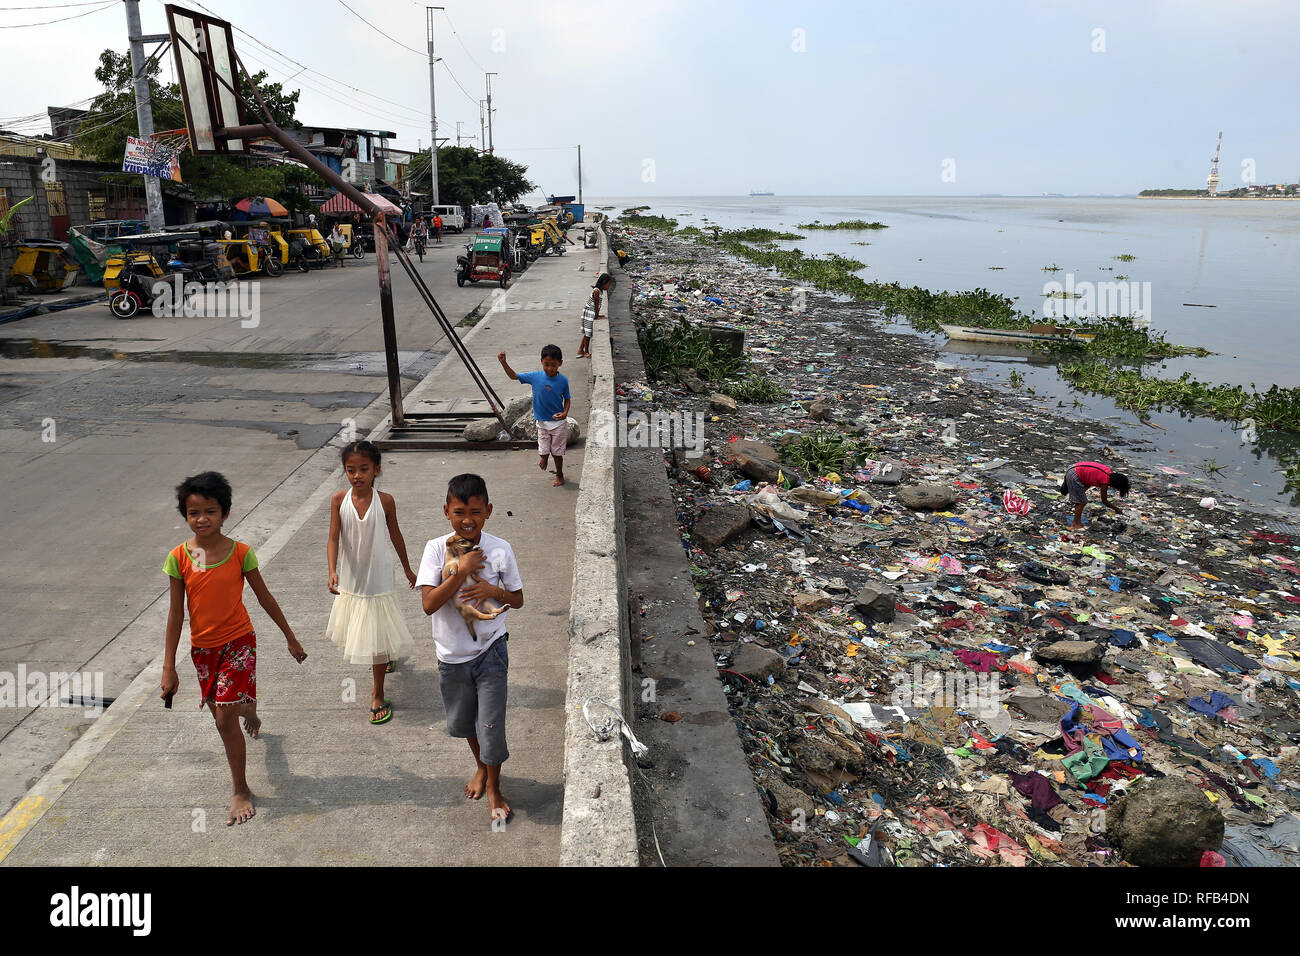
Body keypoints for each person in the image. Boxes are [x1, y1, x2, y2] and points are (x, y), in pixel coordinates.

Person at [161, 472, 307, 826]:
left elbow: (264, 596)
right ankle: (250, 711)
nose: (202, 519)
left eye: (210, 511)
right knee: (225, 717)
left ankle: (240, 788)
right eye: (194, 513)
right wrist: (169, 666)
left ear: (225, 513)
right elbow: (176, 613)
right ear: (185, 516)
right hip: (202, 651)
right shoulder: (179, 557)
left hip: (238, 642)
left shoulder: (240, 553)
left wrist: (289, 635)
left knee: (224, 716)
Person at [416, 474, 524, 824]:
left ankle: (494, 786)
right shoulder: (435, 549)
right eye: (459, 511)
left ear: (489, 511)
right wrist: (460, 572)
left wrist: (494, 592)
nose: (467, 520)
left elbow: (518, 599)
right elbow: (429, 604)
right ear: (446, 511)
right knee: (467, 725)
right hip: (451, 656)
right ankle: (481, 767)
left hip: (491, 650)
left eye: (475, 512)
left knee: (490, 724)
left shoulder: (500, 549)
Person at [326, 441, 417, 724]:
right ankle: (385, 659)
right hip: (352, 575)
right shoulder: (339, 500)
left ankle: (377, 693)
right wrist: (331, 570)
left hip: (378, 575)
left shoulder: (386, 501)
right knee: (363, 627)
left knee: (375, 632)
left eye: (363, 469)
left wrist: (408, 569)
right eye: (351, 470)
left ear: (376, 470)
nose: (357, 476)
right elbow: (333, 538)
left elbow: (396, 536)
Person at [498, 346, 571, 486]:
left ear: (560, 363)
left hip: (558, 423)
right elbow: (514, 376)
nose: (550, 368)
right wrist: (503, 363)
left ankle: (559, 474)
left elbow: (567, 399)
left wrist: (565, 413)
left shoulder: (563, 381)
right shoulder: (535, 377)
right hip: (542, 423)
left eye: (553, 365)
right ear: (541, 362)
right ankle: (544, 458)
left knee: (557, 453)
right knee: (543, 449)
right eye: (547, 364)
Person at [1059, 461, 1130, 530]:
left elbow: (1089, 479)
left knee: (1080, 499)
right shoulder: (1105, 480)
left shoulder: (1107, 471)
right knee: (1082, 502)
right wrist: (1116, 509)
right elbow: (1104, 500)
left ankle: (1077, 518)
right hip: (1074, 474)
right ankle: (1075, 524)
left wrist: (1080, 494)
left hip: (1073, 468)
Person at [576, 272, 615, 359]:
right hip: (589, 312)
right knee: (588, 334)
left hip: (591, 312)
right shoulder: (596, 291)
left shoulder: (600, 291)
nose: (608, 287)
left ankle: (580, 350)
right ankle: (586, 352)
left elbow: (598, 306)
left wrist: (598, 315)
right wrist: (596, 316)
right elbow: (596, 306)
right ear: (604, 283)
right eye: (608, 284)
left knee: (587, 333)